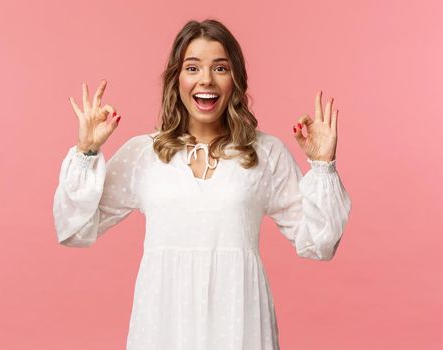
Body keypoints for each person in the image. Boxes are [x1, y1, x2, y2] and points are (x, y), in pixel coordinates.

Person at [52, 19, 351, 350]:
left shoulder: (265, 153)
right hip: (163, 324)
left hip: (240, 323)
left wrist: (323, 165)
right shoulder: (145, 153)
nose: (205, 79)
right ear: (176, 79)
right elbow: (75, 230)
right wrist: (86, 152)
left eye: (220, 68)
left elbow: (319, 244)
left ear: (234, 79)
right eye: (192, 68)